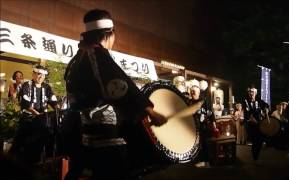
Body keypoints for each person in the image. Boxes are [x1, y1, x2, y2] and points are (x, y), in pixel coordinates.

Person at [63, 9, 167, 180]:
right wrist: (149, 111)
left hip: (87, 132)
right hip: (107, 133)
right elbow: (120, 85)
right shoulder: (97, 55)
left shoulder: (79, 56)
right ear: (109, 34)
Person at [9, 65, 59, 165]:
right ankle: (13, 162)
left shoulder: (47, 87)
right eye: (39, 74)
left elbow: (53, 102)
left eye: (43, 75)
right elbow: (26, 104)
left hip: (42, 120)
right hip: (28, 119)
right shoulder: (27, 85)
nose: (41, 77)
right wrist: (38, 114)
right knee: (20, 142)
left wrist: (59, 108)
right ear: (33, 74)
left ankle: (38, 162)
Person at [188, 79, 213, 167]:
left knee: (204, 144)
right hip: (193, 128)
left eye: (194, 92)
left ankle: (205, 161)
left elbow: (210, 112)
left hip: (203, 127)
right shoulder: (189, 102)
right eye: (191, 92)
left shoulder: (204, 101)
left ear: (198, 92)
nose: (192, 93)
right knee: (198, 145)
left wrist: (207, 118)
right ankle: (204, 161)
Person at [242, 85, 269, 161]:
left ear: (256, 93)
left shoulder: (258, 101)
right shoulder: (246, 101)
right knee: (255, 141)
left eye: (253, 92)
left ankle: (256, 155)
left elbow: (266, 105)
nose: (251, 93)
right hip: (251, 124)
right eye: (250, 92)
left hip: (259, 124)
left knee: (259, 141)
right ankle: (255, 158)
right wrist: (253, 119)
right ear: (248, 93)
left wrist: (266, 108)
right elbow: (248, 113)